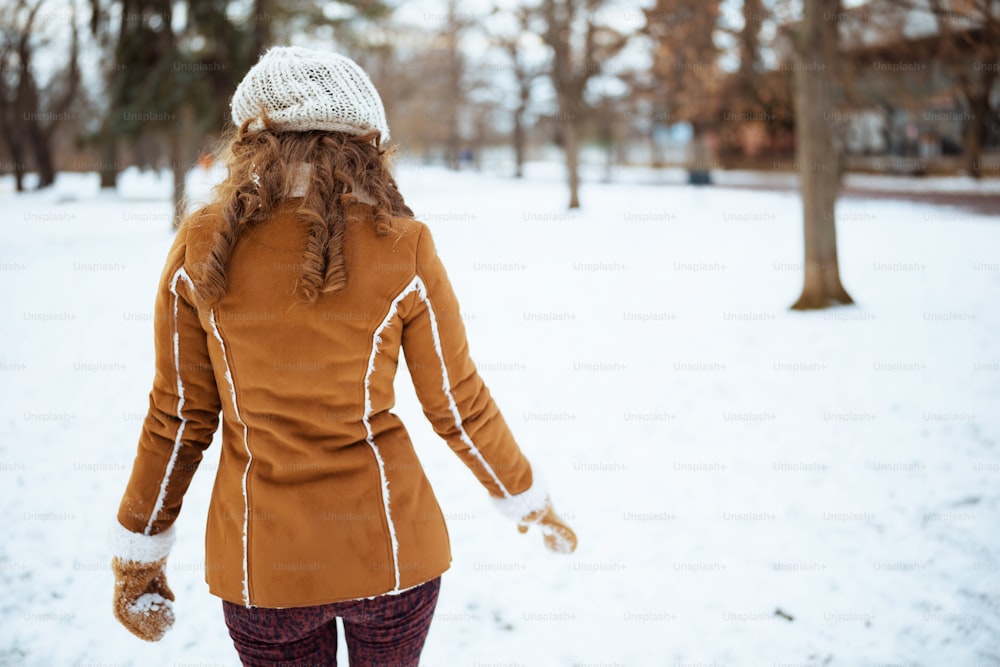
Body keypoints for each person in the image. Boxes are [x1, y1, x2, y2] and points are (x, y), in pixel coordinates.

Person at [109, 46, 577, 667]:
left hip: (261, 571)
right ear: (365, 140)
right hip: (392, 556)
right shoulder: (403, 243)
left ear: (251, 137)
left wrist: (139, 554)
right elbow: (457, 404)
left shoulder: (201, 244)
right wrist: (526, 496)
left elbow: (178, 420)